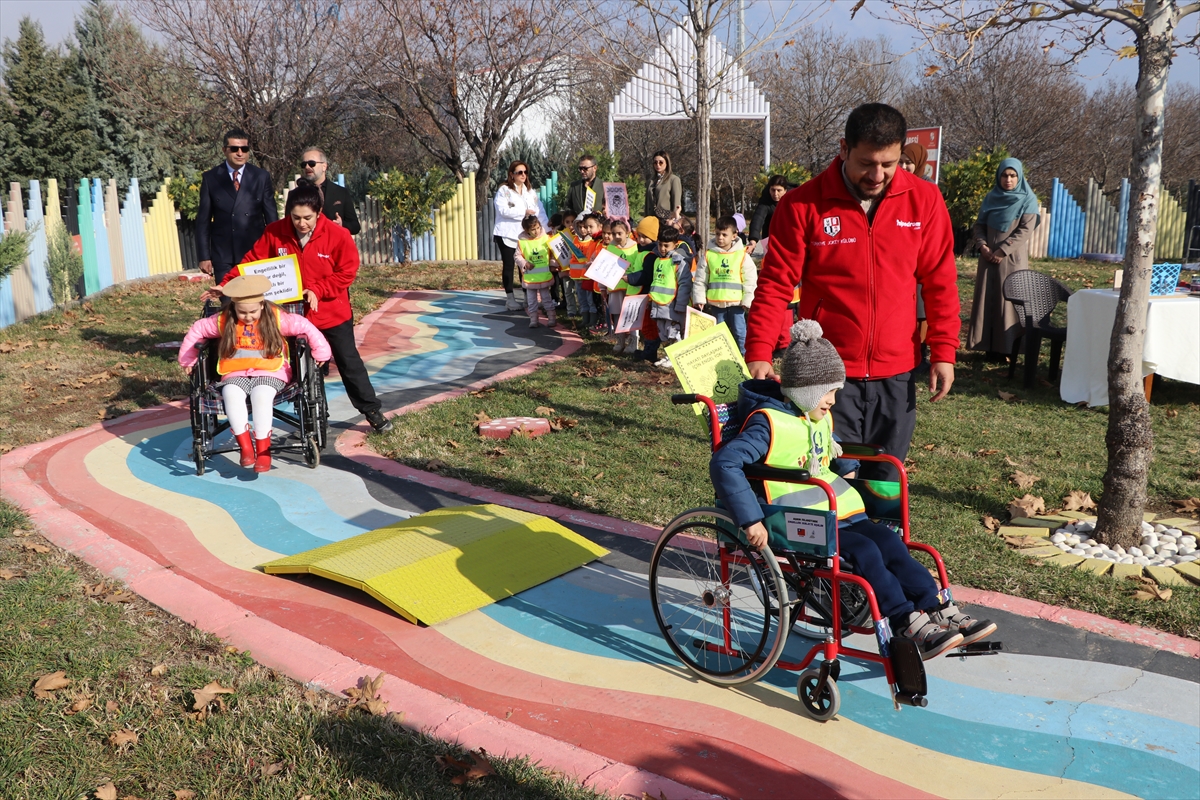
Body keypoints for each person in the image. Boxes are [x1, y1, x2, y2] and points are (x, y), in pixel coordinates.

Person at [711, 320, 997, 659]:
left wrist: (847, 467)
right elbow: (725, 463)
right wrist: (751, 519)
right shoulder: (767, 423)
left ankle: (938, 607)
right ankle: (906, 619)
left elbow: (829, 454)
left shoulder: (815, 417)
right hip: (796, 519)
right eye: (828, 392)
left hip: (837, 511)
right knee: (866, 552)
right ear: (803, 389)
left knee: (890, 542)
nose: (833, 400)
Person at [743, 103, 960, 481]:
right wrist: (760, 348)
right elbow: (776, 284)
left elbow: (940, 281)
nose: (877, 175)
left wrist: (944, 350)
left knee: (885, 485)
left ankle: (884, 539)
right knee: (827, 484)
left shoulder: (925, 201)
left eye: (888, 164)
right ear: (843, 149)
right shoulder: (801, 205)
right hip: (825, 372)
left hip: (897, 371)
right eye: (866, 163)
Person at [207, 180, 393, 432]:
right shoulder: (275, 232)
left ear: (318, 212)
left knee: (349, 362)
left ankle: (371, 410)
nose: (301, 223)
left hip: (331, 315)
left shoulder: (338, 235)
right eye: (296, 217)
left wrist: (318, 290)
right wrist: (227, 283)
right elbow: (252, 262)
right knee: (301, 368)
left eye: (307, 218)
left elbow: (347, 272)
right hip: (292, 317)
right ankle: (316, 414)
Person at [180, 274, 331, 473]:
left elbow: (304, 326)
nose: (248, 317)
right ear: (234, 308)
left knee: (261, 396)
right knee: (231, 395)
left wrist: (322, 351)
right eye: (242, 313)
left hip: (270, 371)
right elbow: (199, 328)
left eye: (252, 312)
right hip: (235, 372)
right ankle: (246, 448)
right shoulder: (224, 320)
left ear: (261, 305)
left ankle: (264, 450)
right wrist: (188, 357)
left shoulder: (276, 317)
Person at [968, 158, 1041, 359]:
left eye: (1012, 175)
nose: (1008, 179)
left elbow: (1025, 230)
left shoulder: (1027, 199)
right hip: (987, 257)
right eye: (1004, 175)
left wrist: (1002, 251)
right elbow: (979, 225)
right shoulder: (991, 197)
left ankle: (1009, 349)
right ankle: (987, 347)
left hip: (1011, 260)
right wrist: (982, 246)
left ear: (1019, 177)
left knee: (1008, 301)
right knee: (987, 299)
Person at [195, 128, 278, 282]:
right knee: (227, 301)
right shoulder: (211, 178)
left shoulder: (261, 177)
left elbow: (272, 218)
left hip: (255, 252)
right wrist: (204, 256)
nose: (240, 153)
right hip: (224, 255)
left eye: (244, 149)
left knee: (254, 302)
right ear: (224, 150)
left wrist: (275, 250)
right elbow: (203, 221)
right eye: (234, 149)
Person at [693, 215, 757, 354]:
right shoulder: (708, 255)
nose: (720, 237)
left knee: (740, 332)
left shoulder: (742, 256)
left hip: (737, 304)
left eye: (724, 234)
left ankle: (744, 357)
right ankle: (720, 356)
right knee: (718, 333)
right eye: (717, 234)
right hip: (716, 304)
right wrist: (699, 299)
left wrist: (747, 300)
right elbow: (700, 280)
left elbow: (750, 280)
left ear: (734, 235)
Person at [492, 161, 549, 312]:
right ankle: (510, 298)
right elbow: (502, 210)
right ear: (512, 174)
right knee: (509, 265)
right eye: (519, 172)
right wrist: (523, 212)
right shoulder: (504, 190)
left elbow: (539, 211)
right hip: (506, 233)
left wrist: (547, 229)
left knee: (525, 265)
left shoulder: (530, 191)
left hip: (525, 235)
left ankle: (527, 297)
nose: (523, 175)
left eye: (525, 172)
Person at [644, 226, 692, 368]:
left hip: (672, 306)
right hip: (658, 305)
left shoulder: (678, 262)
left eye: (666, 245)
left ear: (675, 245)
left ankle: (676, 358)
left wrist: (681, 305)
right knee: (663, 334)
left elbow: (685, 284)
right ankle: (668, 356)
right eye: (660, 244)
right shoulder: (658, 260)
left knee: (674, 333)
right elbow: (656, 282)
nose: (663, 248)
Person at [296, 147, 360, 235]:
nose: (307, 167)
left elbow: (355, 226)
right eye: (304, 164)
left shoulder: (341, 192)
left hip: (334, 244)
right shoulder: (296, 194)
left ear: (324, 166)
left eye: (312, 163)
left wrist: (342, 225)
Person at [515, 216, 557, 328]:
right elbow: (517, 256)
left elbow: (553, 253)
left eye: (538, 227)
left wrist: (553, 264)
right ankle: (533, 319)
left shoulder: (546, 238)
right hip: (530, 277)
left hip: (544, 276)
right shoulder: (522, 242)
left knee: (546, 298)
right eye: (533, 229)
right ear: (526, 230)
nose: (536, 231)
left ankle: (552, 317)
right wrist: (524, 263)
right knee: (531, 300)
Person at [604, 219, 639, 353]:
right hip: (615, 286)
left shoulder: (635, 247)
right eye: (614, 234)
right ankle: (620, 340)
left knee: (631, 313)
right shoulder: (610, 248)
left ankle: (633, 341)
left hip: (631, 286)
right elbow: (605, 268)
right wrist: (602, 287)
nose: (617, 237)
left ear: (627, 233)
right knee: (617, 313)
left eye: (620, 233)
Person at [570, 213, 605, 332]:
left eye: (591, 227)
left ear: (600, 226)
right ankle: (588, 320)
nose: (588, 230)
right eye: (586, 226)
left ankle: (596, 321)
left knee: (594, 301)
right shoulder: (595, 241)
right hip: (587, 275)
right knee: (586, 299)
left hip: (596, 277)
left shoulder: (599, 241)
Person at [747, 175, 789, 253]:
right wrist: (753, 240)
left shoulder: (794, 200)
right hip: (769, 237)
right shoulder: (765, 201)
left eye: (779, 190)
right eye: (773, 190)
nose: (775, 194)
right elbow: (758, 219)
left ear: (785, 190)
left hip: (789, 237)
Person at [646, 150, 683, 223]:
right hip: (651, 220)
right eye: (655, 162)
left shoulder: (673, 179)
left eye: (661, 162)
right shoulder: (650, 181)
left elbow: (676, 203)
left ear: (667, 163)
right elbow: (647, 204)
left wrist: (673, 220)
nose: (658, 165)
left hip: (666, 220)